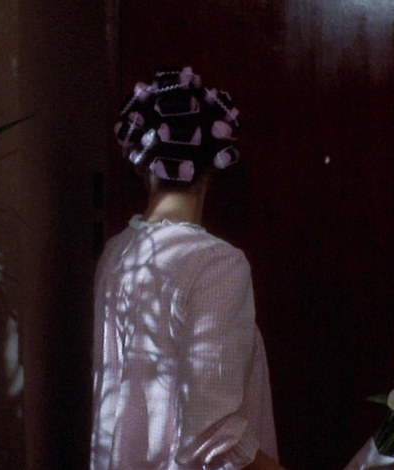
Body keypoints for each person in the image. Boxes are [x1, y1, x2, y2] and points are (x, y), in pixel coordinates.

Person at [90, 66, 285, 470]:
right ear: (216, 163)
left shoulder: (116, 254)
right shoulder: (216, 264)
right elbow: (214, 432)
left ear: (141, 163)